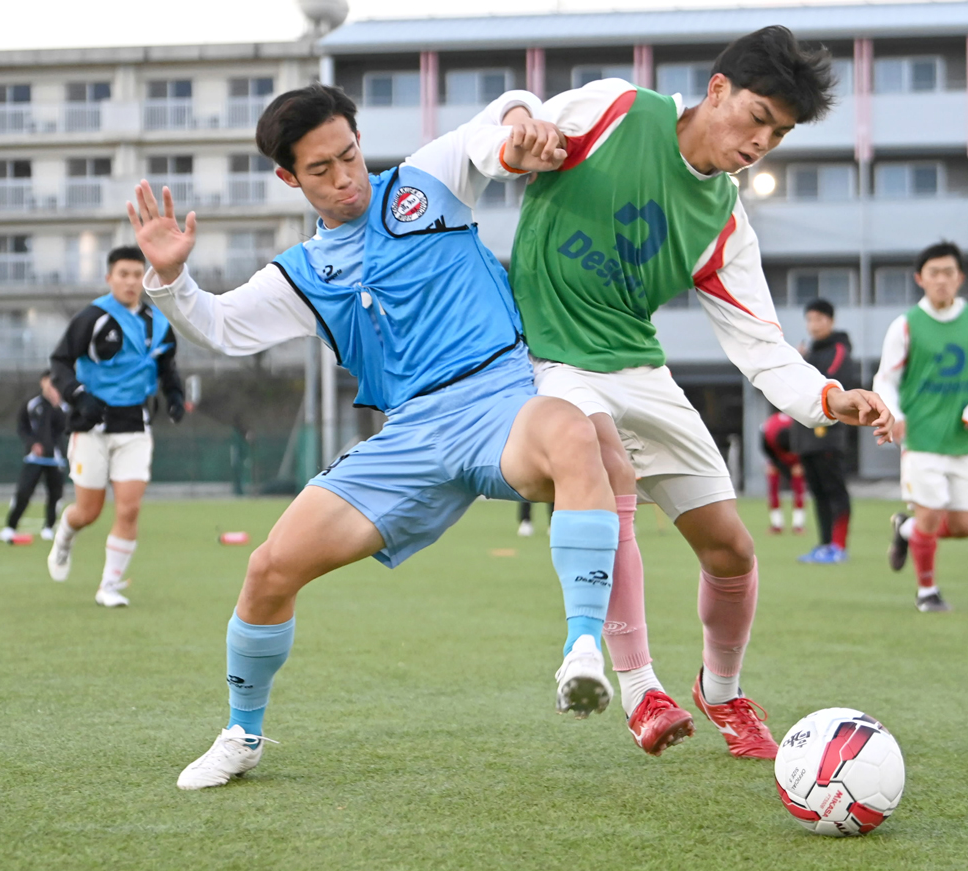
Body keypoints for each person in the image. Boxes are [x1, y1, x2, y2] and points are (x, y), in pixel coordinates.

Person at [128, 84, 625, 790]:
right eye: (321, 171)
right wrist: (172, 277)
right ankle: (242, 732)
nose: (344, 179)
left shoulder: (428, 180)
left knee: (572, 431)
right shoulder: (302, 272)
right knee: (270, 568)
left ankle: (581, 649)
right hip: (408, 441)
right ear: (289, 178)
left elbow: (496, 123)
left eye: (349, 156)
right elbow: (220, 326)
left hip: (498, 404)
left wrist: (519, 129)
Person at [507, 25, 894, 759]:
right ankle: (638, 687)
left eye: (777, 135)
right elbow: (516, 130)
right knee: (604, 460)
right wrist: (510, 135)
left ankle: (720, 691)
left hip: (639, 369)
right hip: (552, 362)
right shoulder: (617, 109)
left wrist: (828, 398)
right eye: (757, 119)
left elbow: (760, 343)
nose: (761, 144)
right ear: (717, 89)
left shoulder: (723, 219)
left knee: (732, 550)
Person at [46, 246, 187, 607]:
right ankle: (65, 533)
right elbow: (59, 363)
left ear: (146, 279)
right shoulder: (92, 318)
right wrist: (78, 395)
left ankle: (108, 585)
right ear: (110, 278)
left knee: (129, 509)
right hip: (91, 426)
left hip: (135, 428)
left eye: (137, 274)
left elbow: (167, 367)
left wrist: (174, 395)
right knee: (88, 512)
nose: (131, 281)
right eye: (123, 274)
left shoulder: (159, 324)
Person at [875, 241, 968, 612]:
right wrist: (895, 415)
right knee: (929, 514)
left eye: (949, 272)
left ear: (960, 277)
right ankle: (927, 591)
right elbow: (886, 379)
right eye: (934, 273)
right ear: (920, 279)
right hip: (921, 437)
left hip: (964, 438)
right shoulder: (905, 325)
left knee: (964, 526)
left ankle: (904, 529)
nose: (942, 280)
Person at [793, 298, 854, 564]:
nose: (813, 325)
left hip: (829, 435)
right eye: (809, 319)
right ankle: (824, 544)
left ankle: (838, 547)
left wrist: (802, 363)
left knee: (835, 490)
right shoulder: (811, 351)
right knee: (817, 492)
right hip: (807, 436)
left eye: (819, 319)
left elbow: (830, 383)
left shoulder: (839, 349)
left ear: (831, 321)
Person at [0, 371, 68, 543]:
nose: (52, 386)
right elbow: (22, 427)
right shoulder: (32, 404)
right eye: (49, 382)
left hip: (55, 458)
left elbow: (65, 429)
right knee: (23, 492)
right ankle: (10, 527)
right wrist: (32, 443)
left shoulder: (63, 406)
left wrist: (57, 407)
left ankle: (49, 527)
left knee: (55, 494)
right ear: (42, 382)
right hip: (34, 458)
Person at [759, 411, 805, 535]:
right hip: (776, 456)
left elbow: (807, 446)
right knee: (773, 486)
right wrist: (777, 463)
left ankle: (798, 525)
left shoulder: (800, 428)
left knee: (799, 487)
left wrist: (800, 463)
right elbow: (765, 448)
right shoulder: (768, 431)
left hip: (797, 456)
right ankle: (776, 525)